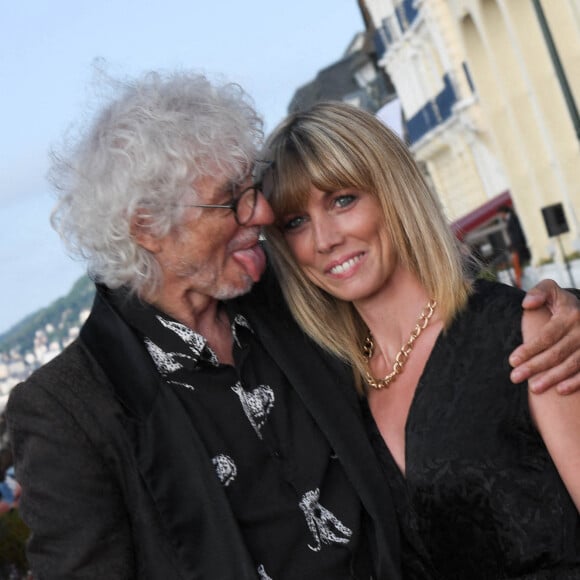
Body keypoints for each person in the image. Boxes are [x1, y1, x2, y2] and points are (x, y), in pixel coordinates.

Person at [5, 72, 580, 580]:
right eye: (229, 202)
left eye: (251, 190)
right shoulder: (68, 409)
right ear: (149, 227)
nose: (262, 214)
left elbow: (440, 319)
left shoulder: (289, 306)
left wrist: (566, 307)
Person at [260, 101, 580, 578]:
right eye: (296, 222)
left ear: (392, 192)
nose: (324, 239)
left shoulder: (524, 333)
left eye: (342, 200)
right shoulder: (335, 391)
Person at [498, 204, 531, 288]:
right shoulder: (510, 219)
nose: (500, 216)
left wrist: (514, 247)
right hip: (516, 247)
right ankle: (520, 285)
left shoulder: (512, 219)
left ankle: (521, 286)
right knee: (518, 269)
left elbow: (517, 235)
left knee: (519, 269)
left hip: (519, 248)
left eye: (500, 214)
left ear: (503, 212)